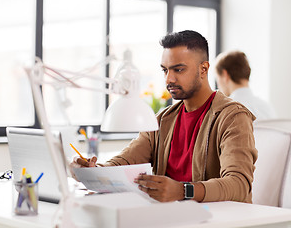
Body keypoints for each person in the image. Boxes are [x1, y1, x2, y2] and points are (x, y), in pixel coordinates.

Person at [71, 30, 257, 203]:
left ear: (204, 69)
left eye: (178, 70)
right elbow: (125, 161)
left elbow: (238, 184)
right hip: (170, 217)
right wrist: (94, 171)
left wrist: (184, 191)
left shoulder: (233, 117)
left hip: (217, 220)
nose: (169, 79)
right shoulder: (162, 120)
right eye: (165, 70)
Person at [215, 51, 277, 120]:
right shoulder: (267, 108)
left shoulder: (225, 110)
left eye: (217, 78)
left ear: (225, 75)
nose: (218, 85)